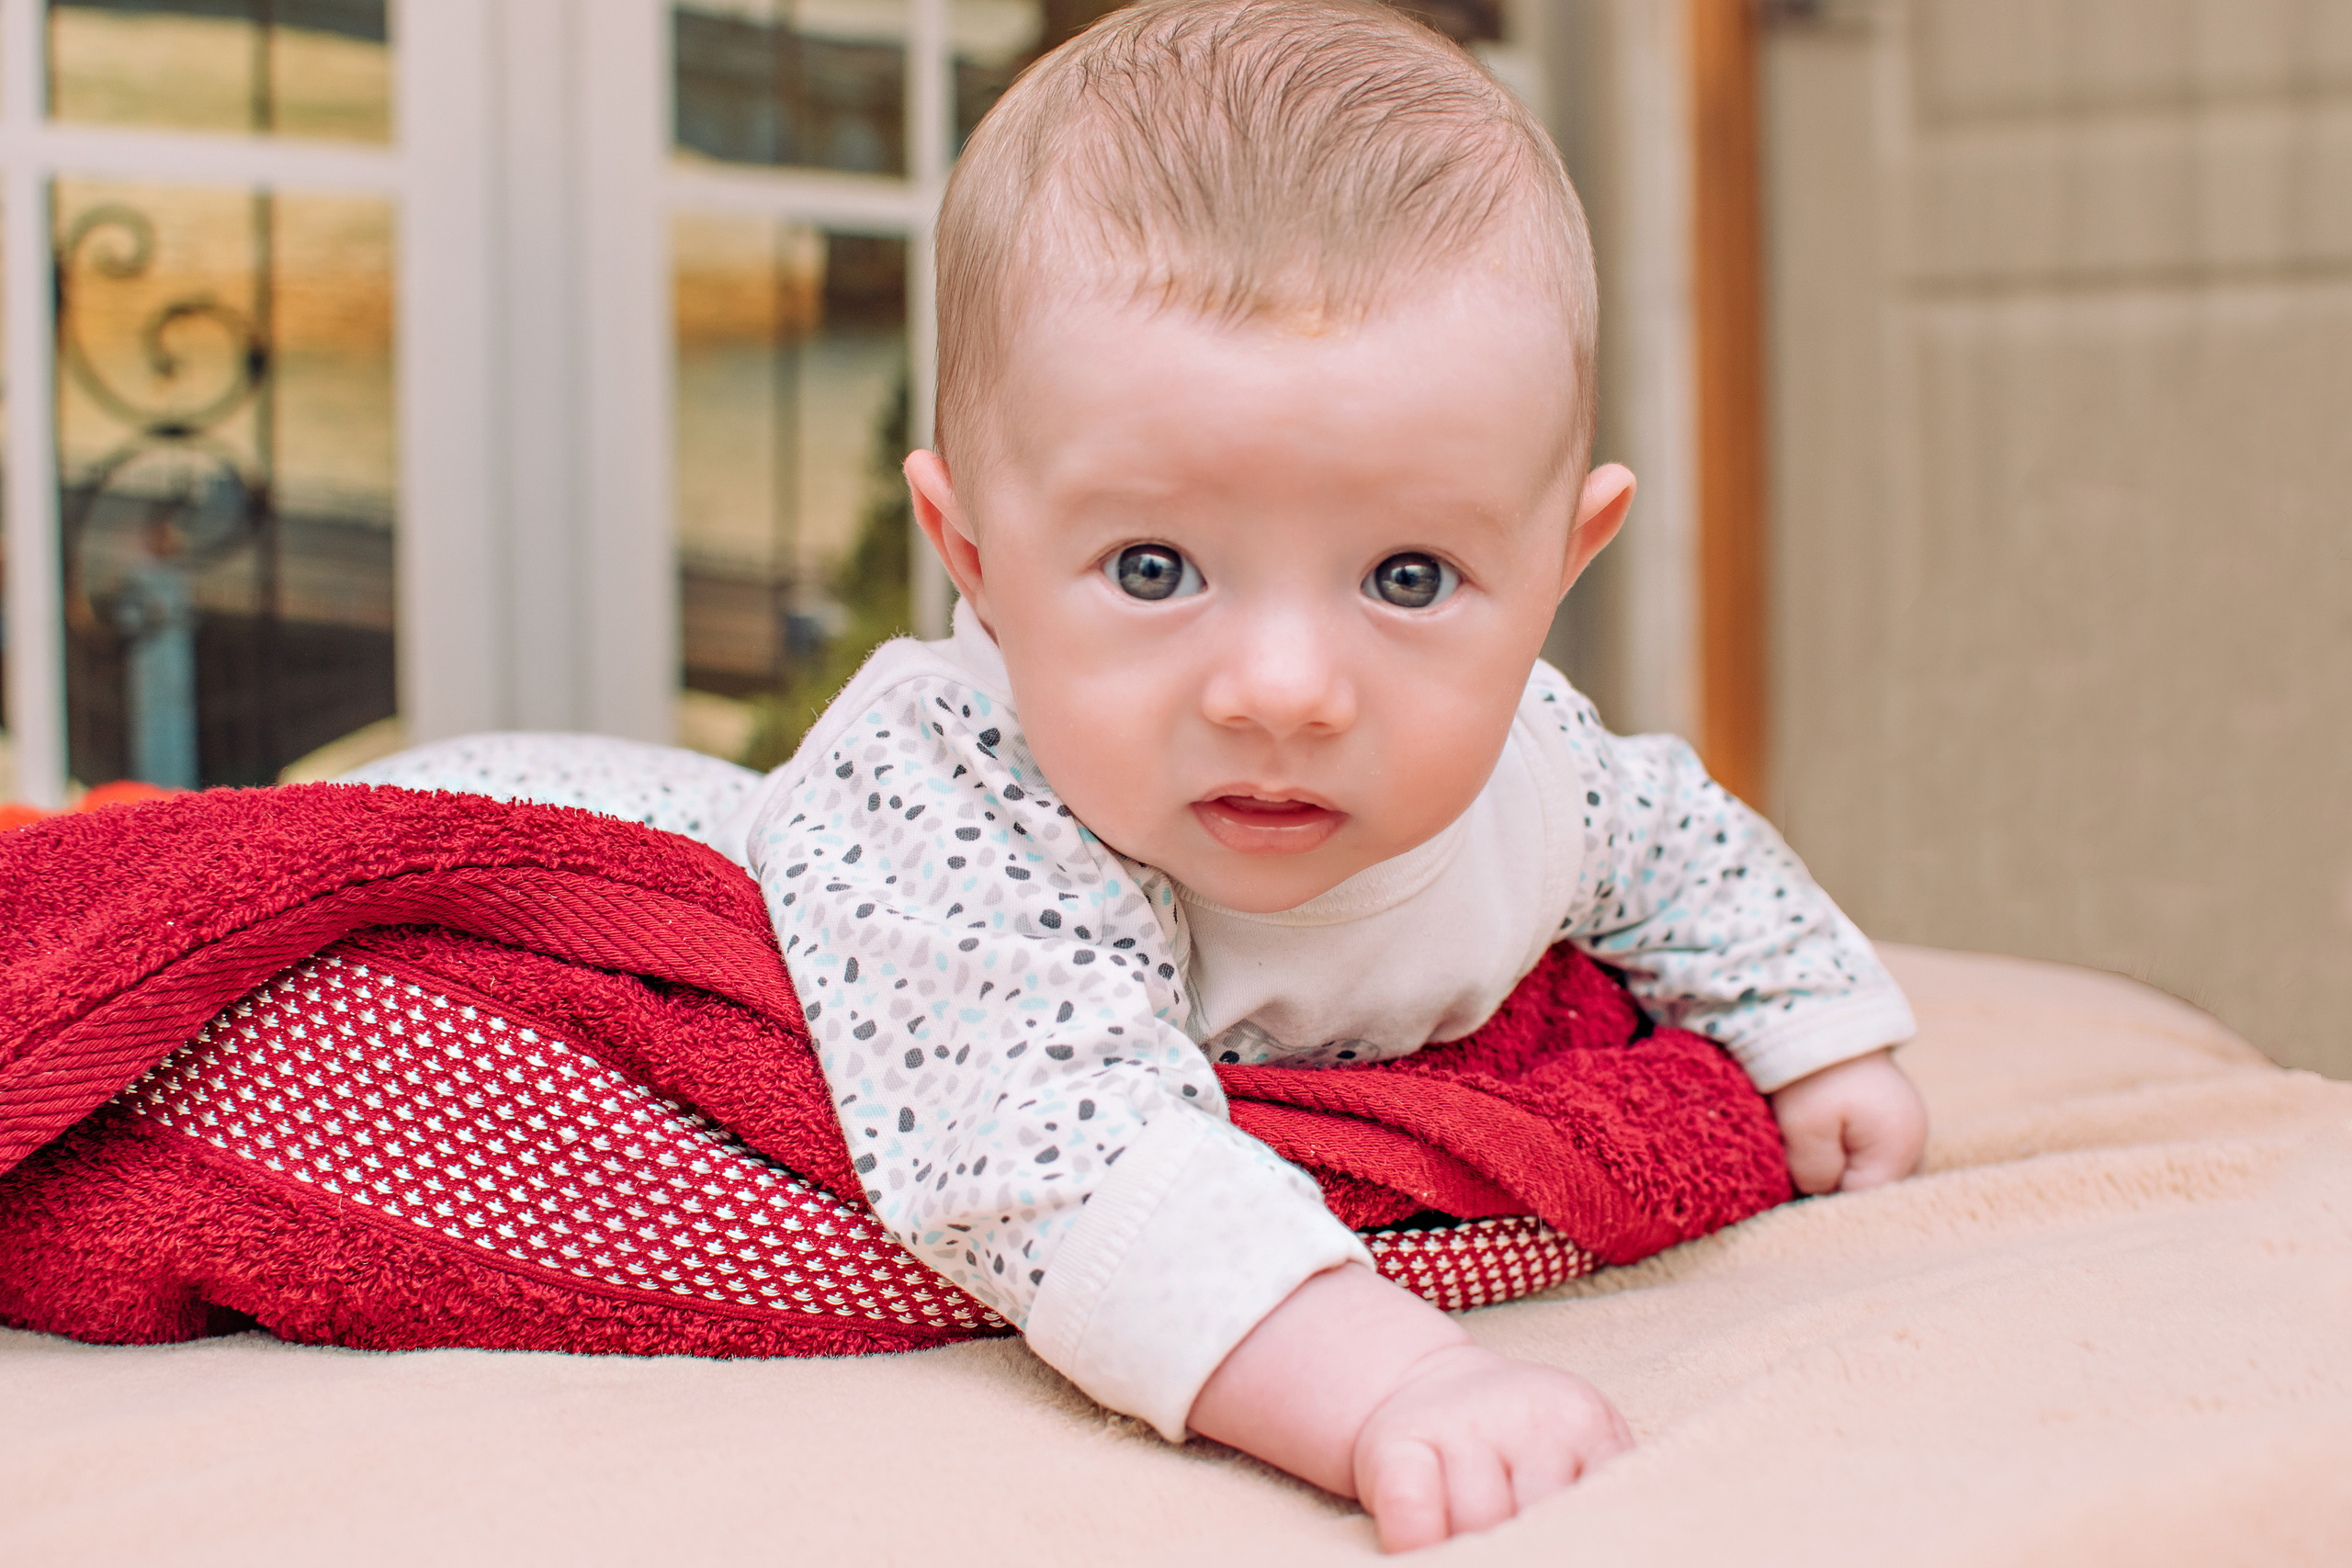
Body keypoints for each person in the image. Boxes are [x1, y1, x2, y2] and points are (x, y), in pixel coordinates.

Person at [356, 0, 1927, 1548]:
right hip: (579, 843)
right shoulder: (948, 801)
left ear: (1556, 564)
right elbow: (1059, 1159)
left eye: (1408, 579)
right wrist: (1395, 1384)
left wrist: (1817, 1037)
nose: (1283, 694)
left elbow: (1679, 846)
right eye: (1158, 568)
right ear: (975, 554)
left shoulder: (1541, 770)